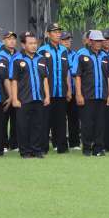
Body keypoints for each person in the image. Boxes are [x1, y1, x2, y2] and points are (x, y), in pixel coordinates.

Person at [8, 32, 50, 158]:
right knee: (23, 126)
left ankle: (36, 150)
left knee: (38, 125)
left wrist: (47, 96)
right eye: (30, 43)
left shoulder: (41, 59)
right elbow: (13, 80)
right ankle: (25, 151)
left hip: (38, 98)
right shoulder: (17, 59)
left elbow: (45, 79)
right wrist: (14, 99)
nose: (33, 46)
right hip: (23, 99)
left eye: (35, 43)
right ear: (23, 45)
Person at [74, 30, 109, 157]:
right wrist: (78, 94)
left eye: (100, 41)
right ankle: (86, 148)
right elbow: (77, 76)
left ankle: (98, 148)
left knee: (100, 123)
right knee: (87, 123)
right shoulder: (82, 55)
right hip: (87, 95)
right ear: (90, 41)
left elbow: (108, 76)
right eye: (96, 41)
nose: (99, 43)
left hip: (101, 95)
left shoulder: (105, 56)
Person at [36, 25, 69, 154]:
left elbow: (66, 71)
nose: (58, 34)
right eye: (55, 32)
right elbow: (40, 72)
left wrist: (69, 90)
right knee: (45, 121)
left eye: (59, 31)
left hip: (61, 91)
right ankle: (43, 147)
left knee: (60, 120)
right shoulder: (43, 50)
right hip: (47, 92)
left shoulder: (64, 50)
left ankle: (61, 146)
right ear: (48, 34)